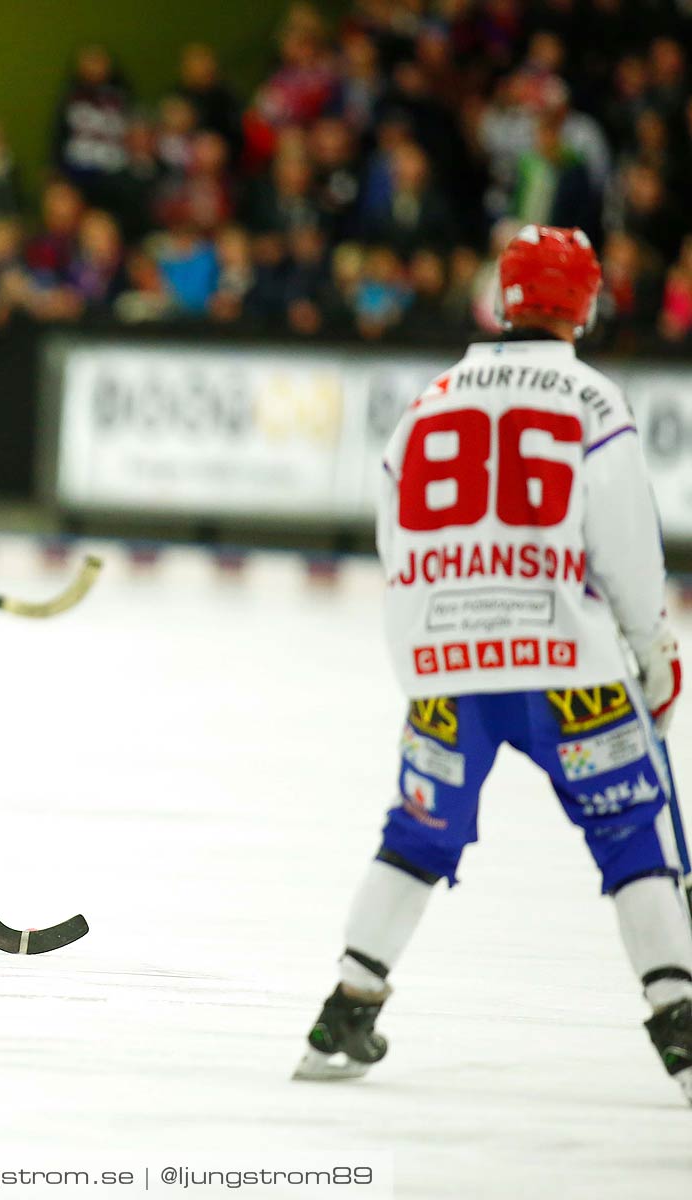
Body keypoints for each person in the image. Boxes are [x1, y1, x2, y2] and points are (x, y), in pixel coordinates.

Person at [293, 225, 692, 1105]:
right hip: (568, 669)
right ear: (585, 303)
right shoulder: (593, 403)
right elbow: (628, 552)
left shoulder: (430, 402)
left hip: (449, 671)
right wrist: (656, 654)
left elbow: (396, 540)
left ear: (501, 296)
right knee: (634, 835)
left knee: (416, 835)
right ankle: (679, 1020)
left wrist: (428, 647)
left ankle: (348, 1004)